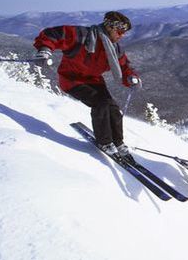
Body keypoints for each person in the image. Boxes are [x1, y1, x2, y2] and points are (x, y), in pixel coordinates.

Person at [33, 11, 141, 160]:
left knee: (113, 108)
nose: (121, 35)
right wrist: (45, 50)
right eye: (120, 31)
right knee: (101, 103)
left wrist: (130, 77)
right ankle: (105, 142)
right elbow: (53, 34)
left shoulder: (114, 48)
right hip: (72, 80)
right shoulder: (81, 36)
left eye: (124, 32)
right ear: (109, 27)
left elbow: (124, 66)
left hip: (94, 81)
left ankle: (118, 142)